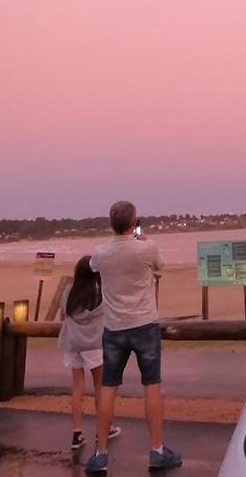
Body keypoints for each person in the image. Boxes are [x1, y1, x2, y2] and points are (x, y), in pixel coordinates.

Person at [85, 201, 181, 474]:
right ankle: (157, 449)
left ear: (110, 223)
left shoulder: (102, 252)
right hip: (144, 324)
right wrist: (144, 242)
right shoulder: (147, 248)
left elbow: (92, 266)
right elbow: (160, 266)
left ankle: (101, 453)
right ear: (133, 222)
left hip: (114, 327)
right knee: (151, 385)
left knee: (108, 387)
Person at [58, 255, 121, 450]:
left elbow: (63, 314)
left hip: (73, 343)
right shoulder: (100, 293)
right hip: (94, 344)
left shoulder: (69, 291)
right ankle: (103, 429)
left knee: (77, 389)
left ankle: (77, 433)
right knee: (100, 388)